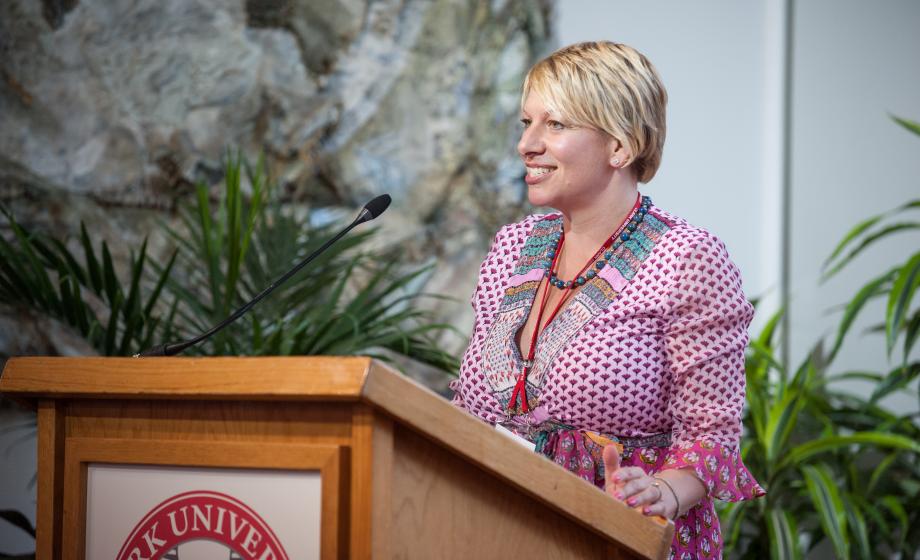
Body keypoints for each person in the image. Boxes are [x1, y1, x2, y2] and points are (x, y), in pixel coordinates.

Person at [449, 41, 764, 559]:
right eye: (526, 122)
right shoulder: (513, 247)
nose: (527, 144)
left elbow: (711, 438)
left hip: (626, 539)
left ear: (620, 146)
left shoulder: (688, 259)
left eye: (556, 125)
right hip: (499, 531)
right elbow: (469, 410)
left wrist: (661, 492)